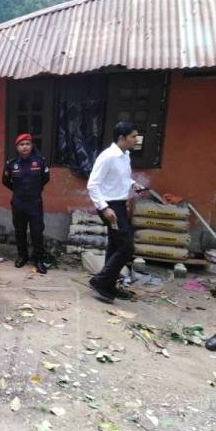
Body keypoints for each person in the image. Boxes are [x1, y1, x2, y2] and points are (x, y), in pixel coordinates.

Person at [87, 121, 144, 303]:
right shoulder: (108, 156)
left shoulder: (125, 155)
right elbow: (93, 185)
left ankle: (109, 284)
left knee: (115, 244)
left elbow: (122, 177)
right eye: (133, 136)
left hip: (119, 204)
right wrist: (104, 208)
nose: (136, 139)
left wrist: (133, 184)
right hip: (110, 206)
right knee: (127, 247)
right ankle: (100, 281)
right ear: (122, 138)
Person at [2, 133, 50, 274]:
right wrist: (17, 191)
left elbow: (45, 179)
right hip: (18, 204)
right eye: (21, 144)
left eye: (27, 144)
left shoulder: (40, 162)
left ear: (31, 146)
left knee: (37, 232)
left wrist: (35, 190)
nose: (25, 147)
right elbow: (5, 181)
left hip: (35, 203)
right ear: (17, 147)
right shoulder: (11, 164)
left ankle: (38, 260)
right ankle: (22, 256)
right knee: (20, 232)